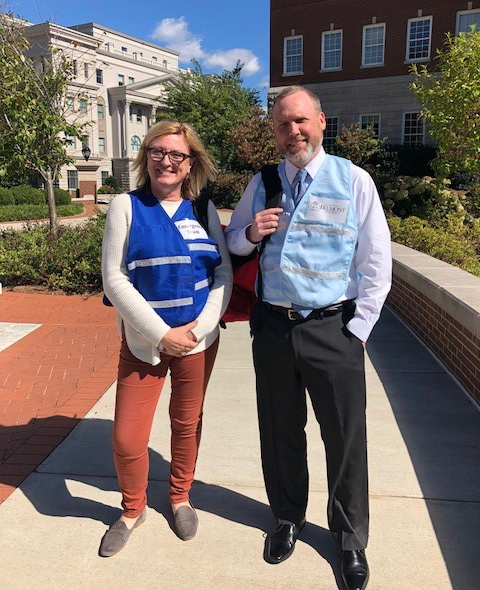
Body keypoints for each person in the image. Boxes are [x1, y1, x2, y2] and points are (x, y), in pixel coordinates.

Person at [225, 86, 391, 590]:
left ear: (320, 121)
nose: (292, 131)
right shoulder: (264, 181)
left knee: (344, 436)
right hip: (273, 326)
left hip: (332, 328)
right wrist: (251, 233)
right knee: (279, 429)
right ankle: (287, 518)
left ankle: (349, 537)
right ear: (274, 132)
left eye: (300, 121)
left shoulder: (354, 180)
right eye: (282, 124)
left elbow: (376, 263)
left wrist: (356, 331)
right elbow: (232, 241)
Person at [100, 120, 232, 557]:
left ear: (190, 162)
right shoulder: (125, 205)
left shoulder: (203, 208)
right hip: (144, 345)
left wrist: (199, 329)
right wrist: (161, 334)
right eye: (158, 151)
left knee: (186, 423)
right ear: (146, 156)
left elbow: (222, 275)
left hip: (198, 342)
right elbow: (114, 281)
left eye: (177, 154)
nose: (166, 161)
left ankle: (179, 497)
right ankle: (131, 509)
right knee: (127, 438)